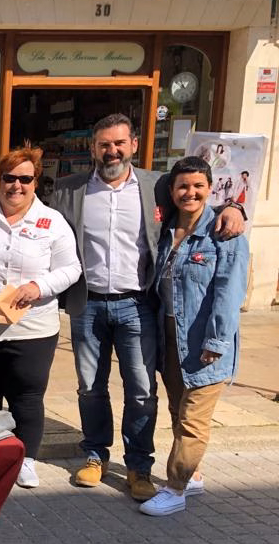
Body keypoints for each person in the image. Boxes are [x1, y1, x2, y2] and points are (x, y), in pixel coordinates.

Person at [53, 114, 245, 500]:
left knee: (141, 390)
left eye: (119, 143)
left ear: (134, 145)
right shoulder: (68, 189)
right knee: (90, 387)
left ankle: (139, 466)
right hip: (87, 305)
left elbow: (195, 196)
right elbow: (37, 216)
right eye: (104, 144)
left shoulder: (156, 185)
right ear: (93, 148)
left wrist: (234, 209)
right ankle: (95, 455)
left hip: (137, 304)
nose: (112, 151)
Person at [0, 146, 81, 489]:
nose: (16, 185)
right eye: (9, 178)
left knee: (26, 397)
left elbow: (71, 268)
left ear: (36, 182)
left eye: (25, 179)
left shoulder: (53, 222)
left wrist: (38, 286)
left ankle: (26, 459)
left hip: (32, 329)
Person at [140, 157, 249, 516]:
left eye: (198, 186)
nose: (190, 192)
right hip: (171, 338)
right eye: (183, 186)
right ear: (172, 191)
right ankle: (194, 474)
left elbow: (229, 294)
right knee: (177, 409)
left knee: (193, 419)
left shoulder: (225, 234)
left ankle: (175, 489)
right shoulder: (166, 230)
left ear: (210, 188)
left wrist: (216, 342)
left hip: (205, 340)